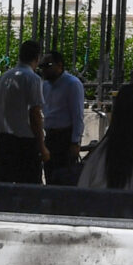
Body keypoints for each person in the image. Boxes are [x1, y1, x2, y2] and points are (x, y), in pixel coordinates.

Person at [0, 40, 47, 184]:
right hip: (24, 144)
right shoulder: (32, 78)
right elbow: (34, 114)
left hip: (3, 140)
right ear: (37, 58)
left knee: (3, 184)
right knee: (29, 186)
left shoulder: (6, 76)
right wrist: (41, 146)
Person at [36, 48, 86, 185]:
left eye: (48, 65)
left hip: (65, 136)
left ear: (60, 65)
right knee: (50, 174)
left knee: (65, 176)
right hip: (50, 137)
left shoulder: (72, 84)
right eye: (42, 66)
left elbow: (77, 115)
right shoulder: (45, 85)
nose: (44, 70)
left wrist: (75, 142)